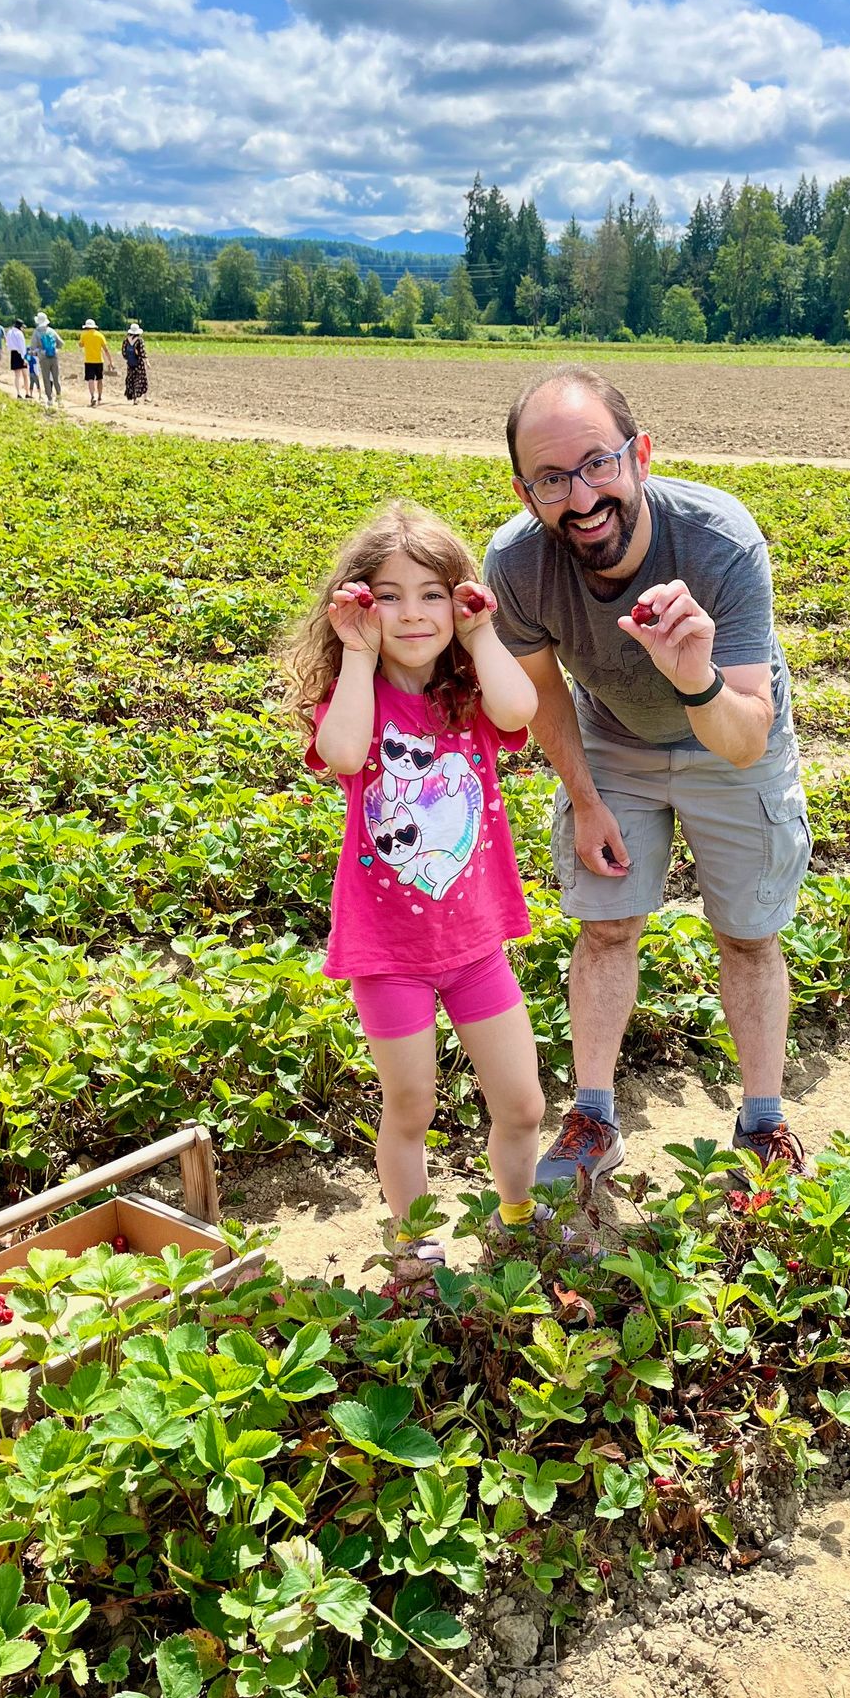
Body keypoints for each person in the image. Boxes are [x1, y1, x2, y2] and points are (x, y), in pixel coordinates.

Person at [483, 364, 812, 1190]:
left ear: (640, 457)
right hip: (614, 740)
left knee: (748, 934)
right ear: (526, 493)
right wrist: (587, 800)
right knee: (607, 927)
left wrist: (692, 674)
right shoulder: (518, 566)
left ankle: (763, 1120)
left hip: (729, 732)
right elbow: (545, 697)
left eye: (597, 464)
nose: (582, 496)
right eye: (553, 478)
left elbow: (742, 737)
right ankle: (594, 1115)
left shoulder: (719, 541)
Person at [281, 500, 544, 1281]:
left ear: (459, 600)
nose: (413, 612)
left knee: (524, 1105)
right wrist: (358, 658)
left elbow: (521, 707)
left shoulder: (470, 694)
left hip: (474, 944)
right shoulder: (354, 698)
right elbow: (342, 750)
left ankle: (519, 1219)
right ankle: (412, 1241)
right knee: (412, 1108)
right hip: (387, 951)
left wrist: (482, 631)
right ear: (358, 606)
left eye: (433, 593)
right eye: (388, 595)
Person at [79, 319, 115, 404]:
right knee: (100, 379)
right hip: (99, 361)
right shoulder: (100, 335)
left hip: (89, 361)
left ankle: (93, 396)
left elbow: (81, 345)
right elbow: (106, 350)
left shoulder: (84, 335)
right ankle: (99, 396)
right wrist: (110, 361)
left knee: (90, 379)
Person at [33, 312, 63, 405]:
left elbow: (33, 347)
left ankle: (50, 399)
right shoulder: (51, 331)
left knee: (46, 379)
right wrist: (55, 349)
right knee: (56, 378)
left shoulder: (36, 332)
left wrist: (40, 351)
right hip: (54, 357)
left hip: (43, 358)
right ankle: (59, 398)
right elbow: (61, 343)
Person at [123, 322, 149, 404]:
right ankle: (138, 398)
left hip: (130, 363)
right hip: (139, 363)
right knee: (139, 379)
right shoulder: (139, 340)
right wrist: (147, 362)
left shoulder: (126, 340)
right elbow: (142, 352)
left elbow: (124, 353)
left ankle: (133, 396)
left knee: (131, 379)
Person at [7, 320, 29, 397]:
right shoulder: (19, 333)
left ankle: (18, 393)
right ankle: (27, 393)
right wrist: (24, 358)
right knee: (25, 375)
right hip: (20, 354)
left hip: (13, 353)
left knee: (17, 375)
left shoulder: (9, 332)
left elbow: (8, 344)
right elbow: (22, 346)